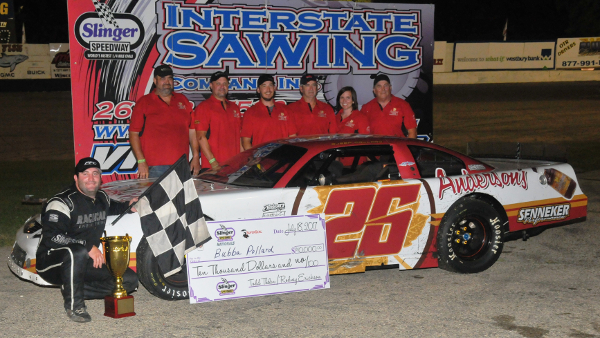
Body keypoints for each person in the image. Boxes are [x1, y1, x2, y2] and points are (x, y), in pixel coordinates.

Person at [36, 158, 139, 323]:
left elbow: (111, 207)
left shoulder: (102, 197)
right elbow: (52, 237)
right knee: (77, 251)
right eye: (85, 174)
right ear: (76, 178)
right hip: (52, 262)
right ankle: (75, 305)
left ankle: (73, 288)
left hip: (84, 260)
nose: (91, 178)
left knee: (129, 280)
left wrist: (128, 206)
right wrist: (87, 246)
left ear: (100, 177)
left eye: (95, 173)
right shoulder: (61, 202)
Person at [129, 64, 200, 178]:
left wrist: (196, 157)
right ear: (155, 80)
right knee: (156, 196)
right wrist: (141, 161)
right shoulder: (144, 102)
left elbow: (192, 131)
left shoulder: (182, 100)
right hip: (154, 166)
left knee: (182, 196)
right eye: (162, 78)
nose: (167, 81)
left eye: (170, 78)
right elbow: (133, 134)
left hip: (181, 165)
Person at [194, 71, 242, 171]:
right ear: (211, 85)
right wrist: (213, 162)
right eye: (218, 83)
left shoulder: (234, 108)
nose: (222, 86)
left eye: (225, 83)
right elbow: (200, 137)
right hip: (213, 167)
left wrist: (243, 161)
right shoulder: (204, 107)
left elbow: (239, 137)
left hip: (234, 167)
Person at [241, 74, 296, 150]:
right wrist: (253, 158)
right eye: (264, 86)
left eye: (270, 85)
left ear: (274, 88)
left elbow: (293, 137)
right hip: (260, 159)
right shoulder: (250, 112)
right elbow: (246, 141)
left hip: (283, 158)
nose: (268, 89)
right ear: (258, 89)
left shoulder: (286, 110)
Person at [360, 74, 418, 138]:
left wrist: (406, 147)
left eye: (386, 85)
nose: (383, 89)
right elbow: (361, 134)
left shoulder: (403, 105)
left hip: (397, 146)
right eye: (379, 86)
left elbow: (412, 131)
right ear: (374, 90)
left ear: (390, 88)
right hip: (375, 147)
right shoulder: (366, 108)